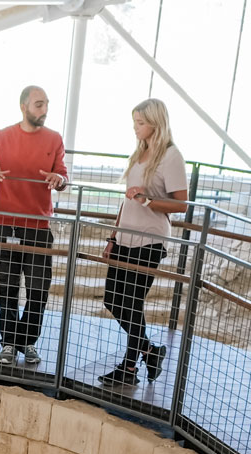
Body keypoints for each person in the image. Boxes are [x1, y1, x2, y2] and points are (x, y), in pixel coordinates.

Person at [0, 86, 69, 367]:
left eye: (46, 104)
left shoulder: (54, 139)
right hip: (7, 226)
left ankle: (26, 342)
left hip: (39, 227)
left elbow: (63, 176)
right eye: (39, 105)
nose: (44, 110)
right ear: (23, 106)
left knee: (38, 289)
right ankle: (9, 342)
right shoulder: (2, 137)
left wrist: (59, 180)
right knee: (7, 287)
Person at [103, 98, 188, 385]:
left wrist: (148, 199)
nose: (135, 128)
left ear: (155, 123)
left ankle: (129, 368)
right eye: (135, 122)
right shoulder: (139, 153)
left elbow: (181, 204)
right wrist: (112, 237)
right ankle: (150, 351)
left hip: (150, 239)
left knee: (131, 302)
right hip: (125, 237)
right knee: (113, 299)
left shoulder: (171, 156)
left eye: (140, 123)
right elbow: (126, 201)